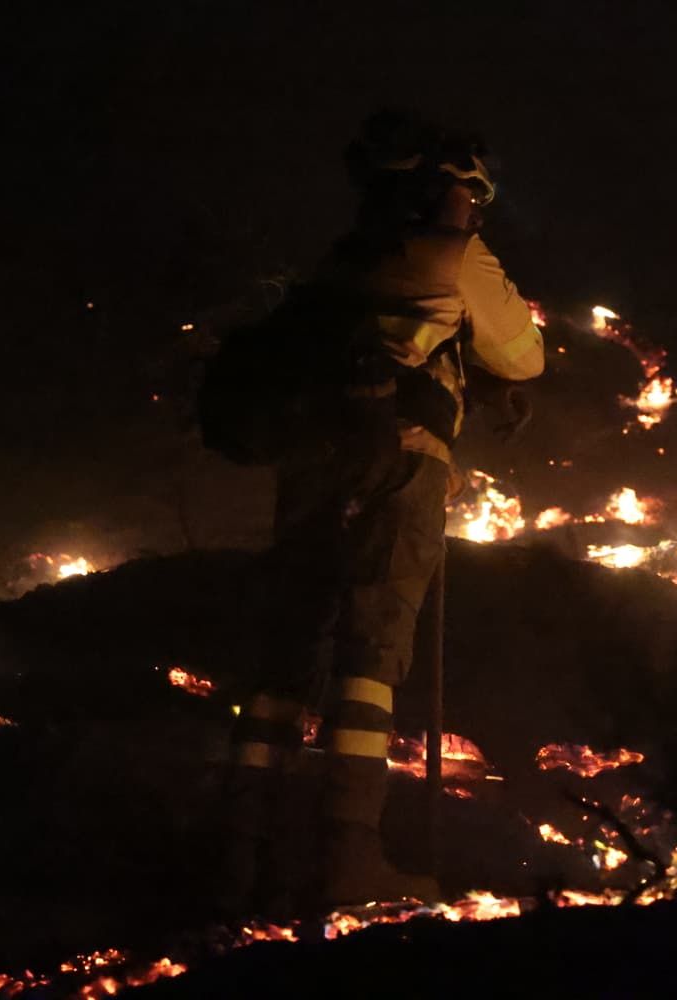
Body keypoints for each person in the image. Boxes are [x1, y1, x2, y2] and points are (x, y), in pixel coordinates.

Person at [219, 110, 544, 912]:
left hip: (314, 461)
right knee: (373, 647)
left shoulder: (340, 261)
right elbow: (523, 353)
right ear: (452, 191)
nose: (473, 209)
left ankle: (237, 853)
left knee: (288, 646)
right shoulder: (456, 254)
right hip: (400, 460)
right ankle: (347, 854)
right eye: (471, 195)